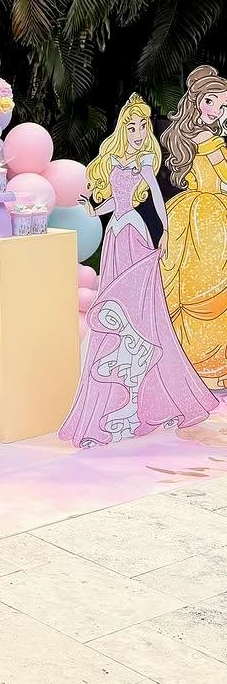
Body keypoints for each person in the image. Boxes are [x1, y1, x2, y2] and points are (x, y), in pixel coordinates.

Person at [60, 95, 218, 447]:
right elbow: (115, 202)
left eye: (142, 126)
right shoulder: (116, 159)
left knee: (139, 305)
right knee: (115, 298)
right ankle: (122, 398)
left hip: (134, 231)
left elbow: (156, 197)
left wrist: (165, 231)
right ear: (123, 129)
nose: (137, 132)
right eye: (131, 127)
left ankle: (149, 391)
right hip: (115, 233)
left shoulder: (145, 160)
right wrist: (93, 209)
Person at [161, 66, 227, 388]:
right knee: (208, 286)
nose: (215, 110)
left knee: (193, 285)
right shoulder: (210, 141)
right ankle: (209, 367)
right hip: (209, 217)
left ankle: (187, 366)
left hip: (191, 210)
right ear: (197, 100)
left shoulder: (190, 136)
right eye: (211, 101)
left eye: (223, 105)